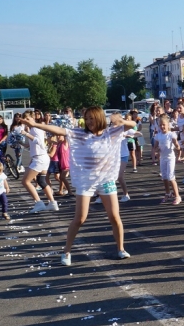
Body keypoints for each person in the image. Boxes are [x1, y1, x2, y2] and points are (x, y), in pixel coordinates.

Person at [27, 108, 136, 265]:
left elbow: (132, 124)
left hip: (106, 179)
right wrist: (36, 124)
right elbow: (59, 130)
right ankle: (66, 251)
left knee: (114, 217)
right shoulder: (80, 134)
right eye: (87, 119)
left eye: (92, 118)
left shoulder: (110, 133)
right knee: (80, 218)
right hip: (86, 181)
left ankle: (121, 249)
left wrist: (122, 121)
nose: (89, 122)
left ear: (99, 118)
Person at [20, 111, 58, 213]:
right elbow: (32, 144)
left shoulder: (35, 128)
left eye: (28, 119)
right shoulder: (34, 129)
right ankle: (53, 203)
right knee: (41, 181)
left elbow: (40, 142)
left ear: (33, 119)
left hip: (39, 158)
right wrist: (20, 142)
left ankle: (39, 203)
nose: (26, 121)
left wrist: (27, 134)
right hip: (42, 157)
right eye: (25, 120)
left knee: (25, 181)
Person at [152, 114, 182, 205]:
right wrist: (157, 151)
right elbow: (155, 147)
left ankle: (177, 196)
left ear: (168, 125)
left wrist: (176, 146)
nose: (162, 126)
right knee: (164, 177)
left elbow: (177, 146)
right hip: (162, 158)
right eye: (160, 125)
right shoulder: (158, 135)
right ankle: (168, 193)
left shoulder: (171, 135)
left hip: (170, 158)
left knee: (170, 177)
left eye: (164, 124)